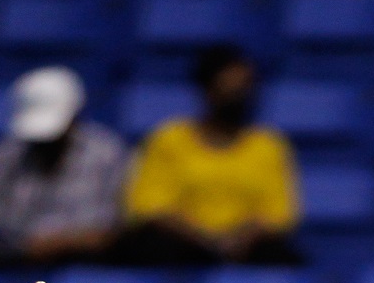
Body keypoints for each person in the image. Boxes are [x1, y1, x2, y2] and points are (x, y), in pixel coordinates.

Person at [113, 48, 300, 269]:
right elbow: (149, 207)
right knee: (145, 248)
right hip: (182, 245)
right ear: (207, 90)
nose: (238, 95)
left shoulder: (269, 146)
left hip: (245, 248)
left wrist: (237, 240)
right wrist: (203, 239)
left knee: (281, 258)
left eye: (245, 87)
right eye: (228, 87)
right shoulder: (169, 139)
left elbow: (278, 214)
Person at [0, 67, 128, 271]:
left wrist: (55, 243)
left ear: (75, 114)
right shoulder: (3, 154)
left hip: (81, 262)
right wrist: (21, 244)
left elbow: (108, 230)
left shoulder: (106, 153)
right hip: (10, 260)